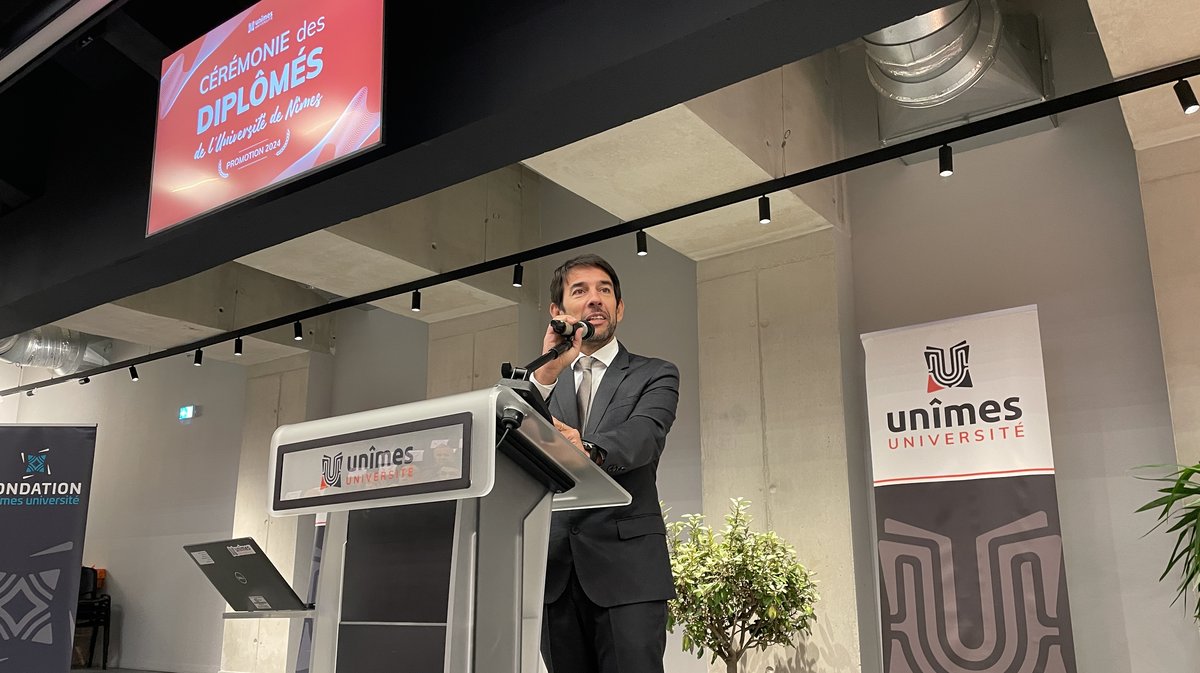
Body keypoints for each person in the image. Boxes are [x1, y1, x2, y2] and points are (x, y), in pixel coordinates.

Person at [532, 253, 680, 673]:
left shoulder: (655, 374)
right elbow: (511, 439)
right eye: (580, 291)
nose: (595, 299)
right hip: (555, 574)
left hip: (627, 571)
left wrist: (589, 448)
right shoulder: (544, 381)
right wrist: (545, 375)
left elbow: (644, 437)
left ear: (619, 308)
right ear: (558, 312)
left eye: (605, 290)